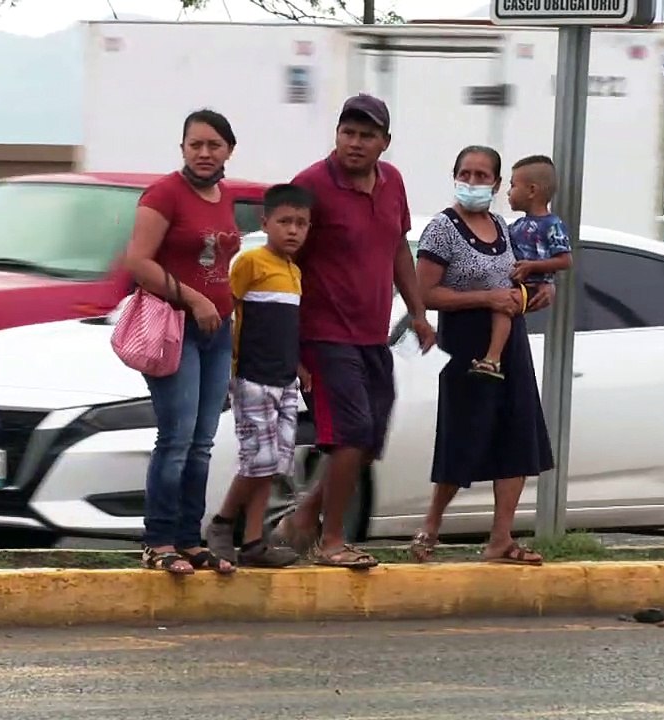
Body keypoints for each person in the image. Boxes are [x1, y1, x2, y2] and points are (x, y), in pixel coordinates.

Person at [272, 94, 437, 569]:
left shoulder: (393, 183)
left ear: (385, 142)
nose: (356, 143)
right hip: (324, 334)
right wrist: (291, 345)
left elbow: (399, 251)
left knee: (369, 439)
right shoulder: (311, 186)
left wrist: (419, 312)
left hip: (372, 336)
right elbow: (283, 263)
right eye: (348, 133)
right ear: (337, 135)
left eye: (367, 136)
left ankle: (302, 518)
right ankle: (331, 540)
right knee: (349, 434)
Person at [410, 144, 556, 566]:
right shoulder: (442, 229)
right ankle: (431, 525)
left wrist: (533, 295)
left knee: (517, 434)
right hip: (466, 341)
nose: (473, 182)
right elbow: (427, 293)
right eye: (466, 173)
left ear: (495, 184)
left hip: (511, 341)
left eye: (482, 176)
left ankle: (501, 538)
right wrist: (486, 297)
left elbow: (521, 280)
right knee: (463, 435)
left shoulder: (505, 228)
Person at [123, 109, 243, 575]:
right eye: (196, 144)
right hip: (175, 328)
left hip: (217, 331)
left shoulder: (224, 197)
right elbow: (138, 261)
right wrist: (194, 300)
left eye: (214, 144)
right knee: (175, 438)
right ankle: (159, 541)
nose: (205, 152)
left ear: (229, 149)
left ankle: (190, 540)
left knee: (203, 441)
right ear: (183, 149)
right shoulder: (164, 194)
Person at [203, 184, 314, 569]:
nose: (293, 230)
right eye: (285, 221)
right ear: (265, 222)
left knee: (276, 463)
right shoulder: (250, 263)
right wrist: (226, 369)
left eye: (301, 223)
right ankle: (221, 523)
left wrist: (298, 366)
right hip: (252, 376)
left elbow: (287, 328)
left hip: (284, 381)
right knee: (258, 459)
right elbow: (228, 314)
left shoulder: (294, 271)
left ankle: (253, 542)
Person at [470, 154, 572, 380]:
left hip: (532, 287)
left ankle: (493, 359)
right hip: (513, 282)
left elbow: (565, 260)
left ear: (532, 191)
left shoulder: (552, 225)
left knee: (503, 305)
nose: (508, 192)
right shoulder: (515, 225)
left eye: (513, 185)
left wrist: (533, 267)